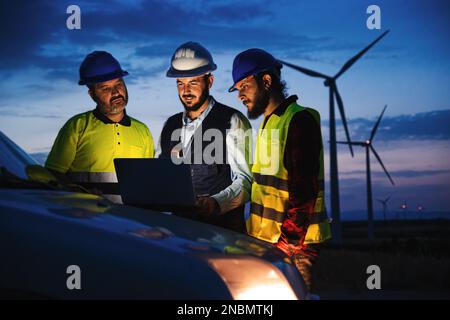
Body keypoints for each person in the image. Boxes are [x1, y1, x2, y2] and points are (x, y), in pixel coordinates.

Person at [229, 48, 331, 292]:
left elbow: (304, 190)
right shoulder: (269, 122)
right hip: (268, 244)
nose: (240, 95)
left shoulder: (298, 120)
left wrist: (287, 246)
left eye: (244, 85)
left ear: (266, 80)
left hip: (293, 249)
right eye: (237, 89)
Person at [156, 42, 252, 233]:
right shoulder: (170, 125)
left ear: (209, 81)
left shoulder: (232, 120)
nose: (186, 91)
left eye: (193, 82)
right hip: (180, 233)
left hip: (223, 234)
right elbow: (161, 175)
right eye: (180, 84)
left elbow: (245, 181)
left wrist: (216, 203)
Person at [45, 51, 154, 203]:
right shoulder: (77, 126)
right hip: (87, 218)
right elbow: (51, 176)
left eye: (119, 84)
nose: (116, 92)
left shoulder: (143, 131)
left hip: (130, 220)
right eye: (105, 88)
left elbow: (147, 181)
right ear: (92, 94)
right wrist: (79, 194)